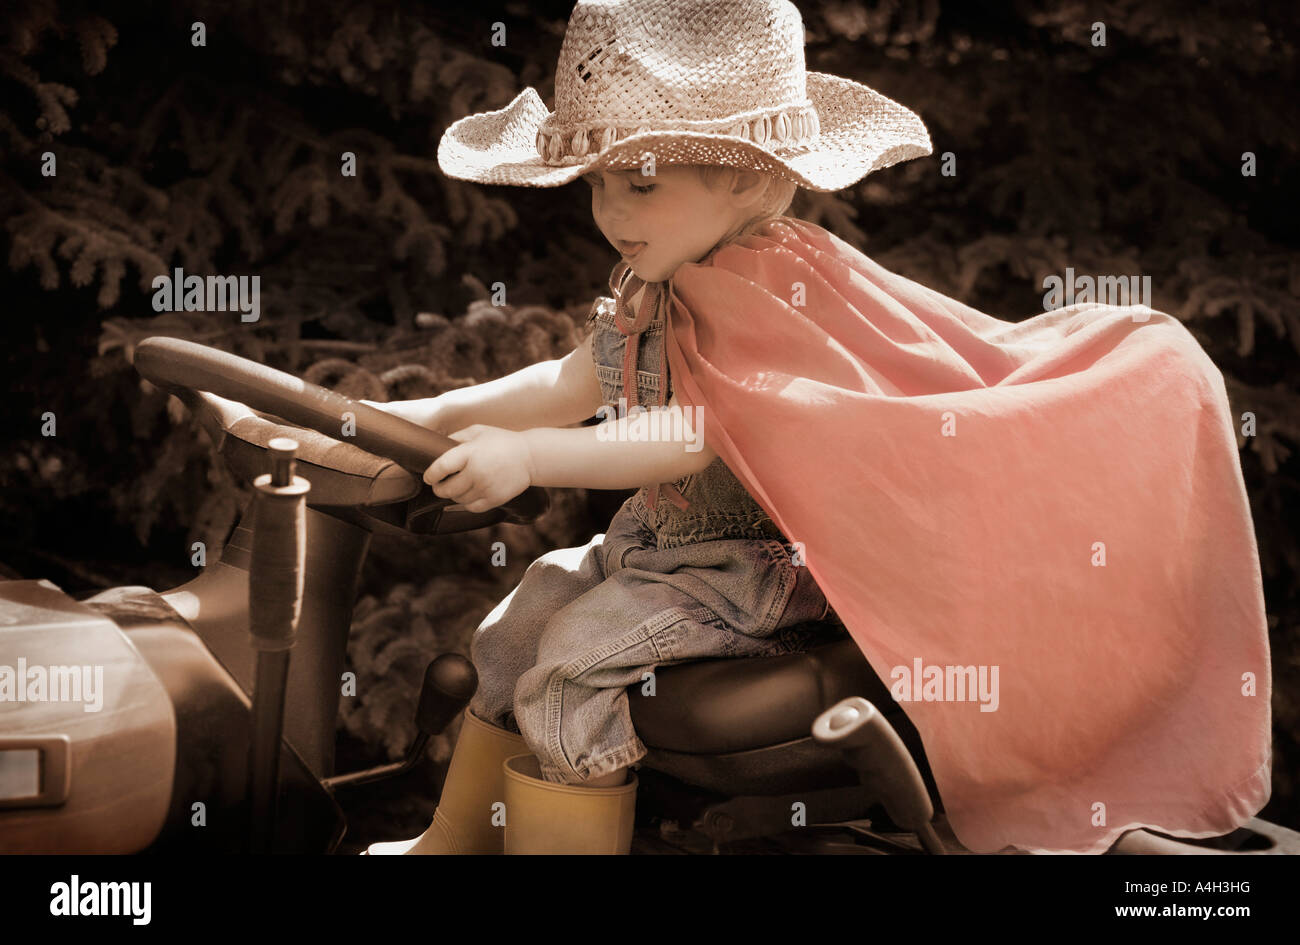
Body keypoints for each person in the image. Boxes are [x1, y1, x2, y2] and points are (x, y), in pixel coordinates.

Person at [367, 0, 1272, 856]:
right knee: (521, 621)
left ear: (748, 178)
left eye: (640, 184)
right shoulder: (658, 276)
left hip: (759, 570)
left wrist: (530, 459)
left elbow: (698, 435)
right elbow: (571, 380)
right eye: (598, 184)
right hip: (667, 550)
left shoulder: (760, 282)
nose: (611, 212)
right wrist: (412, 416)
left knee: (569, 661)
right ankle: (455, 839)